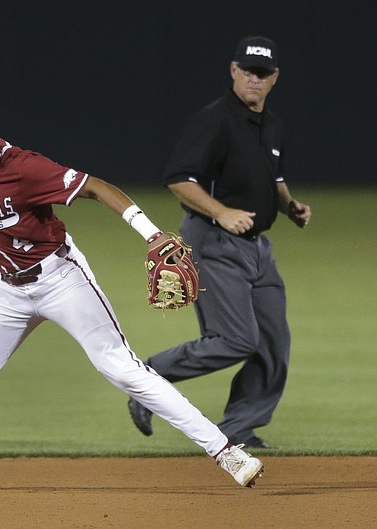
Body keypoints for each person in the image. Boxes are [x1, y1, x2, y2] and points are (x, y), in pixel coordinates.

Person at [0, 90, 265, 490]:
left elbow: (94, 187)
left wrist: (152, 234)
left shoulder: (23, 168)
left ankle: (226, 451)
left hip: (60, 279)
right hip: (3, 290)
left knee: (122, 370)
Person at [127, 36, 312, 449]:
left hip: (258, 248)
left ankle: (237, 430)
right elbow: (178, 178)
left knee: (273, 344)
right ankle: (147, 378)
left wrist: (289, 206)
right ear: (233, 71)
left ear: (274, 78)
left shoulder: (273, 125)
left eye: (262, 73)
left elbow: (273, 178)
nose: (254, 79)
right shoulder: (215, 120)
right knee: (235, 340)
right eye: (247, 71)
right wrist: (220, 211)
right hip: (212, 240)